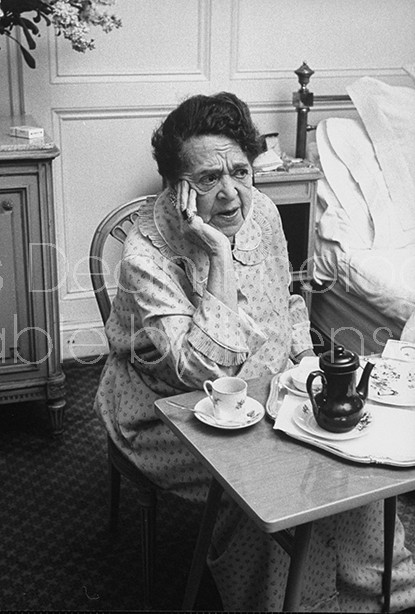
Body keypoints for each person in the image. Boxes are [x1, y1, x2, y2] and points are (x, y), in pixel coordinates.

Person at [94, 92, 415, 612]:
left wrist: (306, 367)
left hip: (272, 392)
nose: (230, 196)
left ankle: (383, 593)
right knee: (260, 499)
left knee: (352, 458)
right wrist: (218, 255)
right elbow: (204, 371)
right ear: (175, 187)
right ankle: (299, 605)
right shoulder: (145, 256)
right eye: (206, 180)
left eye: (239, 173)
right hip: (168, 413)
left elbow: (288, 301)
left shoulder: (262, 210)